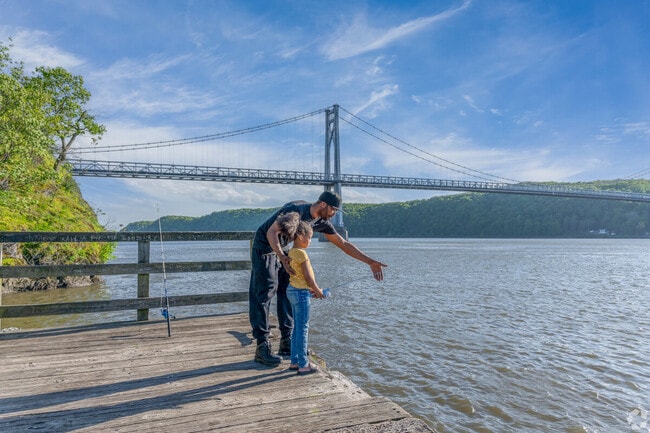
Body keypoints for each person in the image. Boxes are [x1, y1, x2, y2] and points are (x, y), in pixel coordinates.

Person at [249, 190, 387, 366]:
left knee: (285, 292)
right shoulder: (295, 211)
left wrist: (370, 262)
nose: (334, 214)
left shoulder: (320, 222)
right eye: (333, 210)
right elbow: (271, 233)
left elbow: (343, 244)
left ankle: (286, 342)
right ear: (323, 204)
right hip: (264, 247)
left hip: (282, 251)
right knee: (263, 295)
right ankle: (262, 347)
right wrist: (282, 258)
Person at [286, 220, 323, 375]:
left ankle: (294, 361)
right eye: (309, 237)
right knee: (303, 329)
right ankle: (303, 364)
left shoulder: (290, 252)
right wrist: (317, 290)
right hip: (301, 293)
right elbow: (308, 277)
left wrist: (311, 289)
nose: (310, 241)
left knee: (296, 328)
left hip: (292, 291)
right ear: (300, 236)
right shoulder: (301, 253)